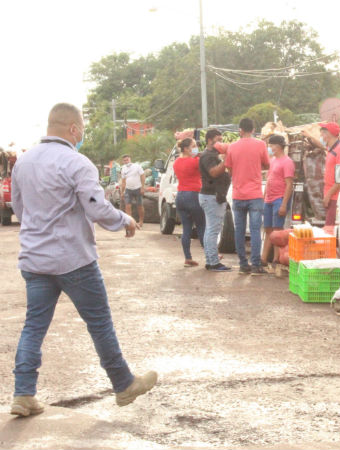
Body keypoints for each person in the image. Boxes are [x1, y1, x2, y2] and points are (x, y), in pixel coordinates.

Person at [9, 103, 157, 416]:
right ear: (73, 129)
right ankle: (123, 384)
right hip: (74, 259)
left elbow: (20, 211)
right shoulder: (77, 163)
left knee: (33, 326)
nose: (82, 136)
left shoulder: (23, 163)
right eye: (82, 130)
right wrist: (125, 220)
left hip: (35, 261)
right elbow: (97, 209)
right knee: (100, 323)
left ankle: (23, 394)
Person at [225, 118, 270, 275]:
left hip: (238, 194)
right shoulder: (260, 145)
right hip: (255, 194)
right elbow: (267, 164)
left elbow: (229, 169)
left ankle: (243, 264)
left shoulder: (232, 147)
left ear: (240, 130)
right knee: (256, 230)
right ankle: (256, 264)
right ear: (253, 129)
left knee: (239, 230)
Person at [199, 128, 232, 272]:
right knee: (213, 231)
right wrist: (226, 161)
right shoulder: (208, 156)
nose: (220, 142)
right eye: (217, 140)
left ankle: (210, 260)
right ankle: (213, 262)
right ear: (209, 140)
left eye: (221, 140)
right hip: (212, 197)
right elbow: (213, 173)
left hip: (212, 196)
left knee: (210, 230)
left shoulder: (214, 155)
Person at [262, 135, 294, 266]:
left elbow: (289, 184)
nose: (270, 148)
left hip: (278, 199)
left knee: (277, 231)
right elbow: (269, 180)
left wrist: (284, 204)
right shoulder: (273, 160)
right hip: (269, 199)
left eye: (272, 145)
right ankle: (263, 258)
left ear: (279, 146)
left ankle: (276, 258)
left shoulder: (287, 162)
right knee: (268, 229)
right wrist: (264, 197)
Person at [173, 138, 205, 267]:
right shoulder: (195, 162)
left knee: (186, 229)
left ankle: (187, 257)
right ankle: (210, 254)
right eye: (193, 146)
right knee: (202, 226)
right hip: (194, 195)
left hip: (180, 196)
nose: (196, 147)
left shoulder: (176, 162)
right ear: (186, 149)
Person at [320, 122, 340, 226]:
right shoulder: (330, 149)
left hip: (335, 198)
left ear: (327, 135)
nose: (321, 137)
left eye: (322, 134)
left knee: (330, 228)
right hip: (330, 195)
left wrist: (328, 195)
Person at [120, 154, 146, 228]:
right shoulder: (123, 169)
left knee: (140, 206)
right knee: (127, 206)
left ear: (130, 159)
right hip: (128, 189)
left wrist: (142, 187)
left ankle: (141, 221)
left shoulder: (137, 166)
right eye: (124, 160)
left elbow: (143, 176)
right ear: (123, 161)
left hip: (138, 188)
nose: (126, 161)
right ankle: (130, 222)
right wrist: (122, 192)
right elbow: (123, 181)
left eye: (127, 160)